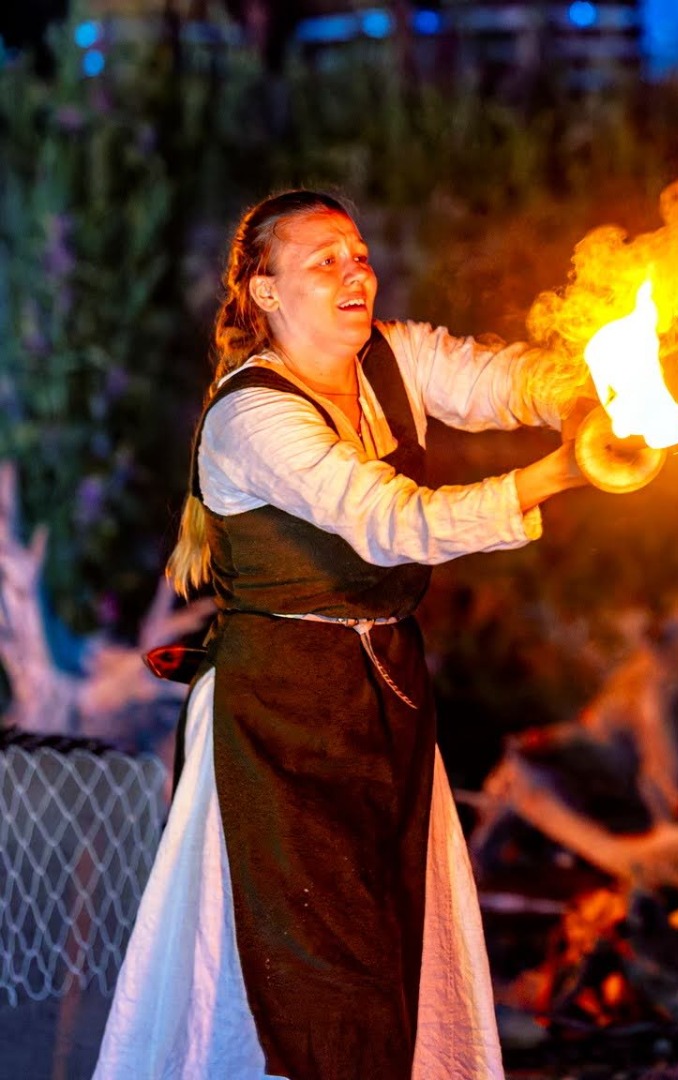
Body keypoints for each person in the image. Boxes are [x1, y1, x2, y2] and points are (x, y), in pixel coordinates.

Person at [95, 190, 613, 1080]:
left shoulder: (397, 357)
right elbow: (388, 523)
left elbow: (506, 379)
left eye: (359, 252)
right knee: (306, 966)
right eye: (322, 260)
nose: (354, 271)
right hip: (280, 711)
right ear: (264, 293)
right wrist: (560, 474)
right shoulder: (252, 417)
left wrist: (594, 400)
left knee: (396, 937)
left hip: (387, 694)